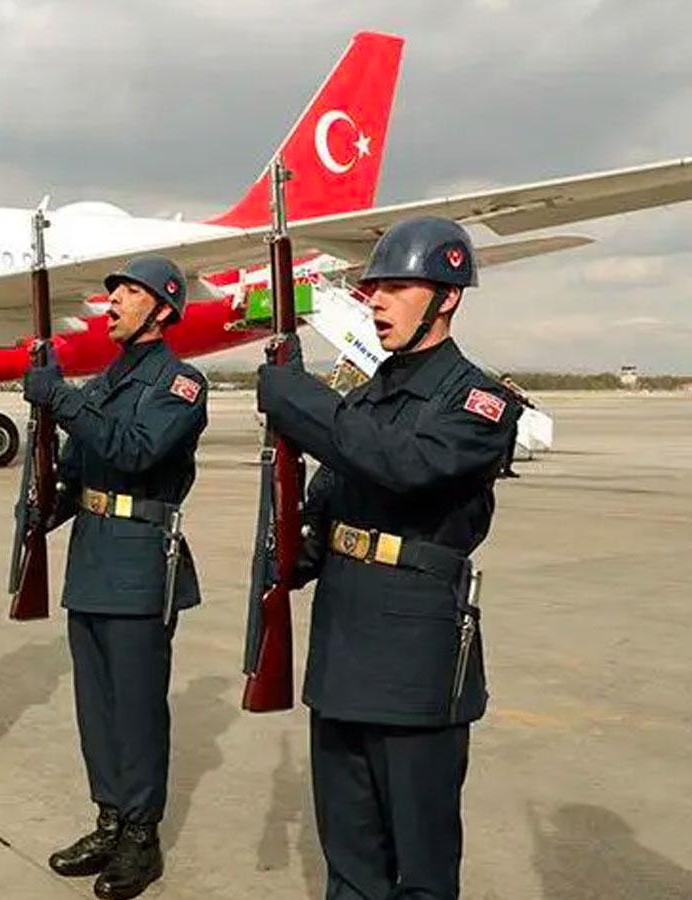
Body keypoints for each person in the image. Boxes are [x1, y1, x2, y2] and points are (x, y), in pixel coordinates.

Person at [257, 217, 518, 900]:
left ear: (447, 295)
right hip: (342, 647)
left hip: (413, 660)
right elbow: (327, 501)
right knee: (349, 862)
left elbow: (404, 466)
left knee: (421, 870)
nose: (374, 302)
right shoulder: (365, 395)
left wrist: (299, 401)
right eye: (372, 289)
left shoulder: (479, 402)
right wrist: (286, 560)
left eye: (394, 287)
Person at [24, 255, 207, 900]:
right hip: (93, 552)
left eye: (130, 293)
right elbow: (81, 465)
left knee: (135, 707)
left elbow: (133, 448)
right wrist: (45, 504)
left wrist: (62, 399)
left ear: (162, 309)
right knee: (96, 706)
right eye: (115, 293)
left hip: (138, 555)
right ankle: (108, 818)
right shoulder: (106, 379)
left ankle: (140, 835)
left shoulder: (180, 385)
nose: (115, 303)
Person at [497, 374, 536, 479]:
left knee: (510, 446)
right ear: (502, 382)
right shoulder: (499, 393)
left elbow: (524, 402)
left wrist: (528, 403)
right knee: (502, 447)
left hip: (512, 423)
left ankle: (507, 468)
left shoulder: (512, 393)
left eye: (510, 382)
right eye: (507, 382)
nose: (510, 384)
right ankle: (498, 470)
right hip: (503, 424)